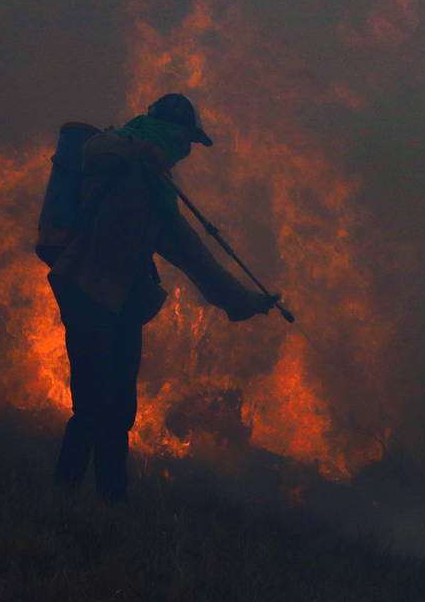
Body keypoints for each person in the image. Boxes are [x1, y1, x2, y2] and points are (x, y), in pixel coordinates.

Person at [45, 93, 277, 502]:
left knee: (119, 411)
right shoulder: (116, 160)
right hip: (86, 292)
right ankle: (63, 498)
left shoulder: (157, 193)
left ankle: (111, 502)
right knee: (92, 407)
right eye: (183, 141)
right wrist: (139, 150)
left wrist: (245, 301)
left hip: (122, 303)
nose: (184, 151)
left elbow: (197, 259)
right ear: (171, 134)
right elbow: (95, 147)